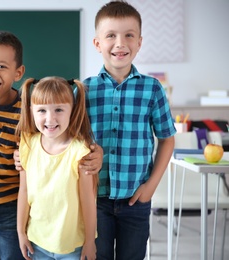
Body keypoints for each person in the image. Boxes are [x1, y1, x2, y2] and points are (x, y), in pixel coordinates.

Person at [0, 30, 103, 260]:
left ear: (19, 72)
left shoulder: (26, 113)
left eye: (2, 66)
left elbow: (55, 137)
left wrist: (96, 151)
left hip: (9, 205)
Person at [84, 1, 177, 259]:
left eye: (129, 35)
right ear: (97, 43)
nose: (120, 43)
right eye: (111, 35)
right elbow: (66, 138)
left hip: (136, 199)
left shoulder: (152, 88)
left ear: (139, 42)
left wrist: (151, 186)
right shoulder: (83, 90)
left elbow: (167, 139)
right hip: (94, 200)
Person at [15, 77, 98, 260]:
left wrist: (90, 241)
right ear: (32, 112)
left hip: (72, 247)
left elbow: (88, 200)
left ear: (72, 111)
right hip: (37, 242)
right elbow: (24, 191)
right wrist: (21, 232)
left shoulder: (80, 152)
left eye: (59, 110)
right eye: (42, 110)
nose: (50, 118)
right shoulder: (27, 145)